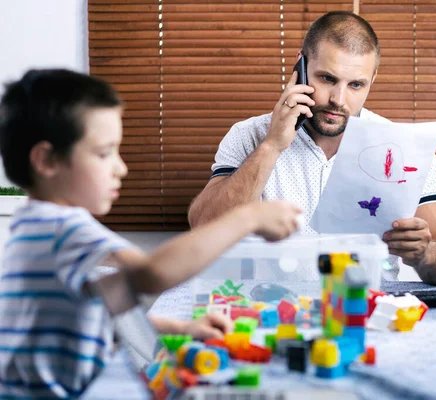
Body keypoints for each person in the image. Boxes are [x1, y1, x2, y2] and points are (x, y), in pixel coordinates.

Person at [0, 69, 301, 398]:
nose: (122, 167)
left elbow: (97, 313)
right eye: (104, 153)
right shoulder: (63, 227)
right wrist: (247, 217)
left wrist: (181, 328)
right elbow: (152, 272)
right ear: (46, 160)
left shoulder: (32, 226)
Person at [188, 11, 436, 285]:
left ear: (373, 80)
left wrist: (425, 253)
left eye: (356, 84)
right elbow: (204, 230)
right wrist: (272, 145)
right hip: (272, 313)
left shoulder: (405, 148)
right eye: (327, 79)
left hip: (366, 316)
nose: (338, 99)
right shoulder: (249, 135)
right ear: (301, 66)